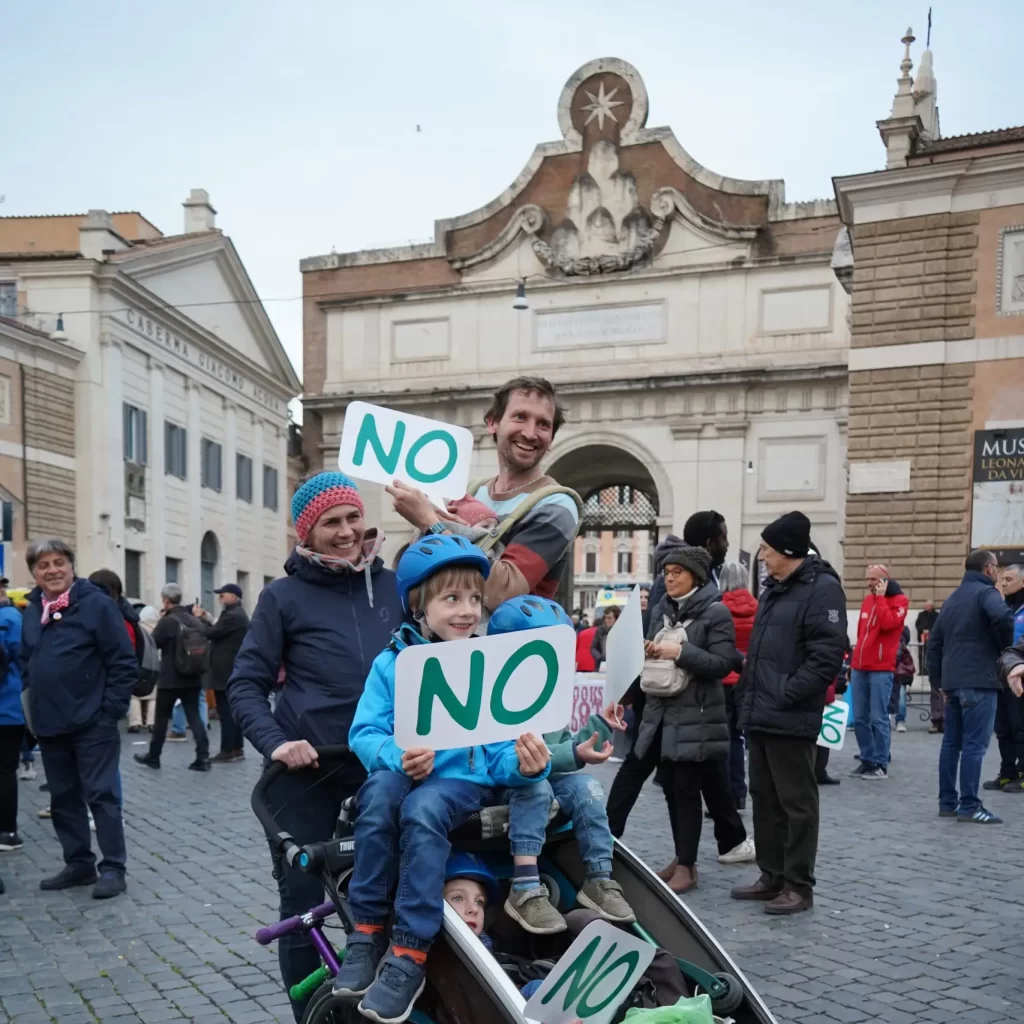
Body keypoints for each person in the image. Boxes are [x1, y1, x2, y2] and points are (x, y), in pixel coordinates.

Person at [338, 535, 551, 1024]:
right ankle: (367, 931)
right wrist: (396, 754)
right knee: (380, 795)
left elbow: (500, 753)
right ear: (418, 604)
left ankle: (409, 951)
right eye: (451, 598)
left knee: (425, 807)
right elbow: (365, 732)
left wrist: (525, 764)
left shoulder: (486, 668)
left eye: (475, 599)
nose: (467, 610)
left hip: (460, 784)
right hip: (402, 771)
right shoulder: (391, 664)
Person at [228, 472, 402, 1021]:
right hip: (308, 771)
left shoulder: (397, 586)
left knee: (394, 890)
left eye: (353, 517)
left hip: (382, 764)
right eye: (332, 522)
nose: (347, 531)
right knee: (303, 904)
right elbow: (245, 684)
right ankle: (311, 1015)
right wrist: (277, 743)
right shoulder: (282, 597)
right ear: (308, 531)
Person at [487, 596, 635, 931]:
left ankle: (599, 878)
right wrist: (571, 755)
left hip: (545, 775)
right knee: (535, 786)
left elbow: (561, 749)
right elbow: (516, 763)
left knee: (589, 787)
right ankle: (524, 887)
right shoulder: (493, 697)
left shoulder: (546, 695)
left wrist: (600, 724)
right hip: (505, 784)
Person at [732, 511, 847, 915]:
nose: (761, 555)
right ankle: (772, 875)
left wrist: (786, 694)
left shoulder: (823, 590)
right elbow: (763, 655)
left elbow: (827, 656)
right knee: (764, 797)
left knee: (796, 802)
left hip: (790, 714)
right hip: (762, 713)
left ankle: (799, 884)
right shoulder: (774, 589)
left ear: (788, 551)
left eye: (766, 548)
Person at [387, 376, 578, 610]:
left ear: (551, 439)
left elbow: (502, 592)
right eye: (520, 417)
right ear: (492, 422)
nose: (530, 433)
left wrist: (431, 523)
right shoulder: (471, 491)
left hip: (510, 644)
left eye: (543, 424)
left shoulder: (556, 506)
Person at [21, 538, 138, 898]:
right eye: (43, 565)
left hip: (93, 722)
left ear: (72, 566)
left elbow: (122, 661)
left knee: (101, 796)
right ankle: (79, 863)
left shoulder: (97, 605)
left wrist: (110, 712)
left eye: (59, 562)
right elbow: (28, 661)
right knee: (63, 798)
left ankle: (113, 868)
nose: (52, 570)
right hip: (50, 724)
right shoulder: (32, 609)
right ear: (34, 573)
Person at [632, 547, 751, 895]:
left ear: (695, 576)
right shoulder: (660, 610)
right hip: (663, 714)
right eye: (666, 572)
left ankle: (688, 866)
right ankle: (681, 857)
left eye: (677, 572)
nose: (669, 578)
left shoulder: (717, 613)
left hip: (698, 715)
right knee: (670, 788)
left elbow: (723, 663)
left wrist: (680, 652)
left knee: (685, 791)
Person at [927, 550, 1014, 824]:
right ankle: (970, 806)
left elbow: (935, 643)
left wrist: (938, 680)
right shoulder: (987, 594)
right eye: (997, 569)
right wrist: (1005, 649)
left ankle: (947, 802)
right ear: (989, 569)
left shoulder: (952, 599)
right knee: (975, 746)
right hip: (980, 679)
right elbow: (1003, 618)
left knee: (952, 744)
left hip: (953, 682)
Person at [134, 584, 211, 772]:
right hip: (193, 676)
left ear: (166, 600)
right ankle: (203, 756)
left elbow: (154, 643)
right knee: (194, 717)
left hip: (170, 678)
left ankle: (154, 756)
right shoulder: (194, 620)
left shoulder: (168, 621)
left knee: (161, 719)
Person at [849, 564, 908, 780]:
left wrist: (881, 599)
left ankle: (881, 763)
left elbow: (888, 623)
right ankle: (867, 759)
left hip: (881, 669)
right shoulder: (867, 601)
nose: (869, 584)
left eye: (873, 580)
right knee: (860, 718)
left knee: (878, 717)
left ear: (884, 580)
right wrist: (854, 662)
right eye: (868, 579)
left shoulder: (899, 601)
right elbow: (861, 634)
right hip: (860, 667)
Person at [192, 583, 249, 763]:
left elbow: (212, 632)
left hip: (224, 670)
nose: (219, 598)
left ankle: (227, 749)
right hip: (229, 668)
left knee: (225, 712)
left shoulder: (233, 616)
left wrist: (197, 620)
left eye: (223, 595)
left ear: (233, 596)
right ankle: (237, 748)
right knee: (232, 711)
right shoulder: (236, 614)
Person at [719, 562, 757, 809]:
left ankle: (725, 796)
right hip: (746, 680)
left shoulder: (718, 608)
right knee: (740, 738)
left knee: (724, 740)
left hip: (722, 680)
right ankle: (740, 792)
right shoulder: (758, 607)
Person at [987, 565, 1024, 793]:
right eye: (1002, 579)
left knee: (1021, 727)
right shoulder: (1002, 609)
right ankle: (1007, 771)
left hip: (1020, 678)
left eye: (1009, 579)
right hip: (1001, 675)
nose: (1003, 583)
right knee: (1003, 727)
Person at [0, 587, 24, 852]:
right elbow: (26, 659)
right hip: (8, 706)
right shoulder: (14, 619)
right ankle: (7, 830)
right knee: (6, 770)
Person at [128, 606, 160, 732]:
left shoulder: (139, 628)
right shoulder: (158, 627)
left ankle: (135, 722)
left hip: (140, 663)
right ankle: (151, 722)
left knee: (134, 696)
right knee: (152, 696)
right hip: (155, 665)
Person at [682, 511, 729, 590]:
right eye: (724, 538)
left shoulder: (715, 575)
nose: (727, 544)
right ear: (709, 544)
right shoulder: (677, 584)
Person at [916, 600, 942, 733]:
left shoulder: (938, 617)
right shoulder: (921, 615)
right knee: (936, 694)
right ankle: (937, 721)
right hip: (935, 661)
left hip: (946, 664)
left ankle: (946, 721)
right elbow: (918, 625)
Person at [890, 625, 915, 734]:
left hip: (895, 668)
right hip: (896, 668)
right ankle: (899, 721)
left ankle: (898, 720)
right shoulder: (902, 629)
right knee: (900, 695)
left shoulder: (899, 629)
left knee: (900, 695)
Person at [590, 605, 620, 670]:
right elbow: (593, 647)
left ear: (616, 618)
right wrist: (600, 658)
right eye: (605, 618)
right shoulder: (600, 629)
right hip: (601, 665)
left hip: (618, 665)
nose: (606, 620)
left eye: (609, 618)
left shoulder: (622, 630)